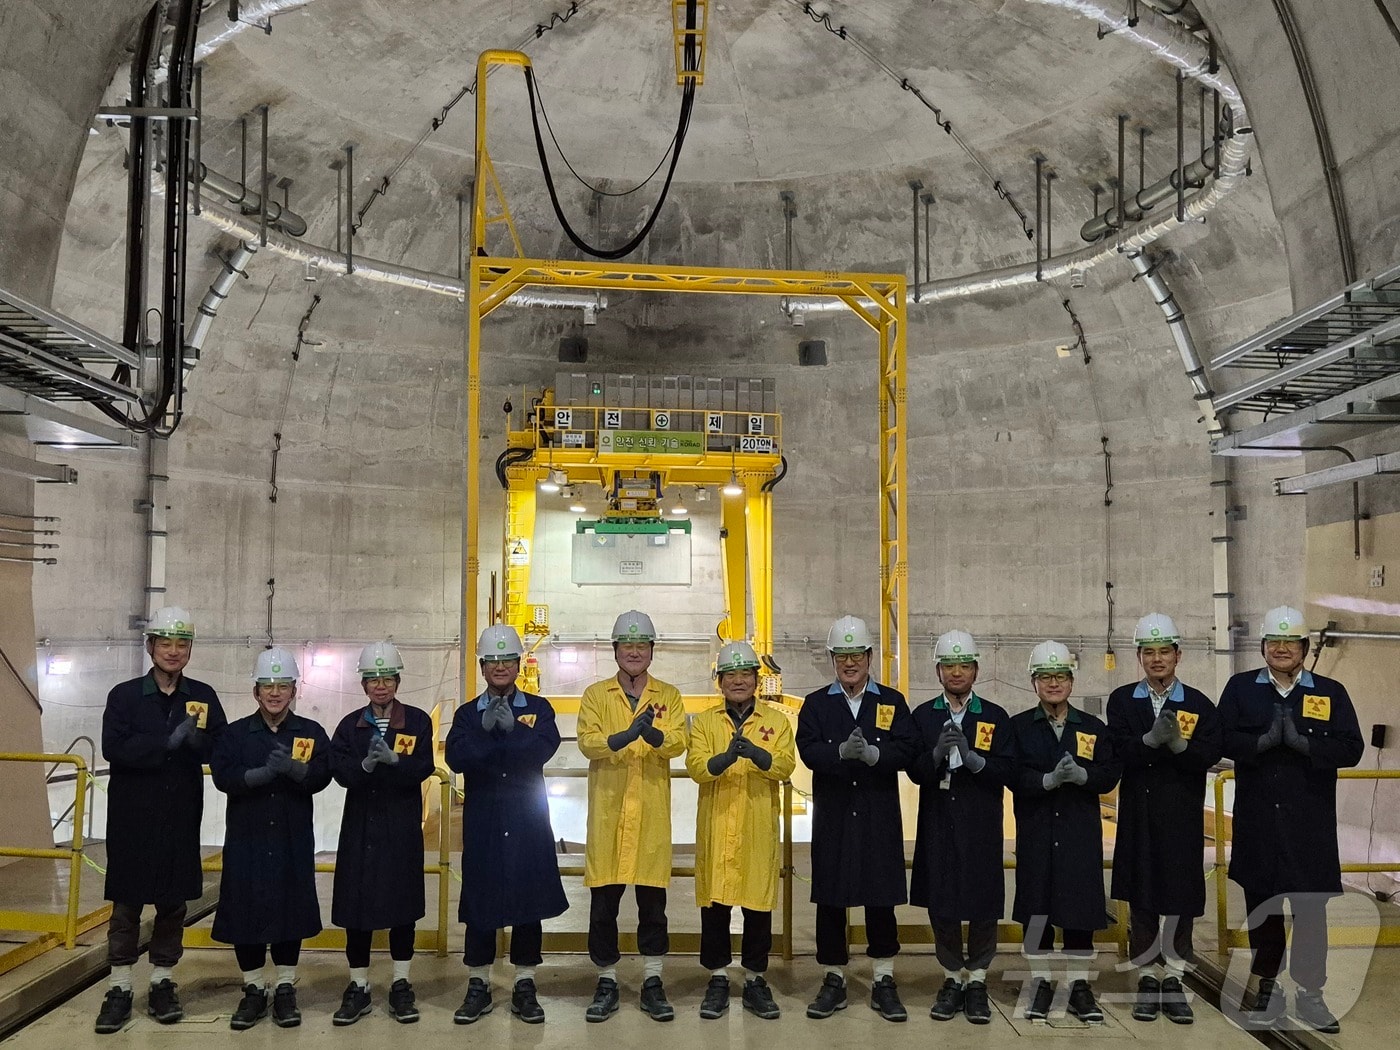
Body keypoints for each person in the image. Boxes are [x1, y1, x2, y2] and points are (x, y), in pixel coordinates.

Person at [1219, 605, 1363, 1034]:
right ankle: (1268, 988)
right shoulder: (1241, 689)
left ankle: (1311, 993)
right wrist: (1260, 743)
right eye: (1274, 643)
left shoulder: (1330, 692)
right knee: (1263, 909)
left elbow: (1351, 748)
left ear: (1304, 648)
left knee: (1310, 912)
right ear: (1263, 647)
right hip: (1259, 823)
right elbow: (1221, 737)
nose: (1282, 649)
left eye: (1291, 643)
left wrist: (1305, 746)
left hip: (1309, 829)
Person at [95, 606, 228, 1034]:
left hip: (179, 817)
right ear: (150, 646)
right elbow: (114, 747)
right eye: (165, 643)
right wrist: (167, 742)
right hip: (133, 818)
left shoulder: (203, 695)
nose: (173, 651)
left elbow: (218, 749)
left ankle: (161, 982)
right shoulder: (126, 696)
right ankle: (118, 989)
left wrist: (198, 741)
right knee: (128, 904)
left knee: (172, 904)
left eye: (182, 644)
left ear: (190, 649)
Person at [795, 615, 918, 1022]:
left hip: (878, 815)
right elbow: (809, 750)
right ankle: (833, 979)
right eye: (842, 655)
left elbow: (907, 749)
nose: (850, 663)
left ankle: (883, 979)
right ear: (833, 658)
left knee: (881, 898)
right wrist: (840, 755)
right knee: (831, 897)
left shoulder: (892, 702)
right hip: (833, 817)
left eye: (857, 655)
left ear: (869, 658)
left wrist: (875, 756)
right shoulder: (816, 704)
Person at [445, 625, 567, 1026]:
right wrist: (484, 732)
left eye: (507, 660)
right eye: (492, 660)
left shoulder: (539, 708)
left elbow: (543, 749)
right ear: (482, 666)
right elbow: (458, 758)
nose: (500, 667)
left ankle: (525, 985)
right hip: (484, 821)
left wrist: (511, 731)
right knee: (480, 904)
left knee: (528, 904)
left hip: (526, 818)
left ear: (518, 665)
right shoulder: (467, 715)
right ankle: (478, 984)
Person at [1107, 613, 1222, 1025]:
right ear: (1139, 656)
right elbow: (1119, 749)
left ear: (1178, 655)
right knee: (1142, 897)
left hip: (1182, 815)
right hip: (1139, 813)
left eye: (1165, 652)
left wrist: (1179, 747)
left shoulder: (1198, 704)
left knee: (1179, 897)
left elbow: (1209, 754)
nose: (1157, 659)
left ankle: (1173, 978)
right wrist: (1147, 741)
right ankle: (1146, 977)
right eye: (1149, 652)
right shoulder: (1123, 700)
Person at [209, 647, 333, 1030]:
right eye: (267, 686)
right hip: (247, 838)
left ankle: (283, 989)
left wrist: (296, 770)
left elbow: (323, 775)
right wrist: (259, 775)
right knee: (245, 912)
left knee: (288, 912)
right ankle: (251, 990)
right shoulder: (235, 734)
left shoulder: (310, 733)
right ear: (256, 692)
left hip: (291, 839)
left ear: (294, 690)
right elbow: (222, 776)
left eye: (282, 686)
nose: (275, 693)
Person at [576, 610, 687, 1022]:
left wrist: (653, 734)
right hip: (609, 817)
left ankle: (652, 982)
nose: (635, 652)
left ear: (653, 651)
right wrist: (624, 736)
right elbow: (588, 741)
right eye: (628, 645)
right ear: (615, 650)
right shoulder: (595, 695)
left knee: (653, 908)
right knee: (603, 908)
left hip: (651, 821)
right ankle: (606, 981)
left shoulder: (669, 696)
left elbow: (678, 741)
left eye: (642, 646)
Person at [1009, 641, 1121, 1024]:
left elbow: (1110, 773)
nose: (1053, 683)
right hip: (1037, 832)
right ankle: (1040, 982)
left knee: (1078, 911)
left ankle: (1078, 986)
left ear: (1072, 681)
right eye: (1045, 677)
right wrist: (1046, 779)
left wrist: (1084, 776)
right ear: (1033, 682)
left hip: (1078, 834)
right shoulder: (1019, 727)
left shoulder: (1092, 728)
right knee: (1036, 911)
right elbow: (1012, 775)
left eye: (1060, 676)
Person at [907, 630, 1015, 1025]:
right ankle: (952, 977)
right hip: (938, 821)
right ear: (937, 670)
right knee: (943, 900)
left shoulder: (995, 717)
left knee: (983, 900)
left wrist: (974, 761)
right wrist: (936, 754)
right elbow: (914, 771)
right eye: (949, 665)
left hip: (981, 822)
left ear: (976, 670)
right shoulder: (923, 716)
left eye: (964, 665)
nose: (957, 672)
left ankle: (979, 980)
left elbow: (1008, 769)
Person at [328, 641, 437, 1025]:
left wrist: (393, 763)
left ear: (397, 680)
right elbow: (339, 773)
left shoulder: (418, 721)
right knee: (357, 910)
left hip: (402, 828)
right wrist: (366, 767)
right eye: (373, 679)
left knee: (402, 907)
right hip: (360, 828)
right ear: (363, 685)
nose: (380, 685)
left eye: (387, 677)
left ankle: (401, 984)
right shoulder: (349, 726)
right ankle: (358, 986)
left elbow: (424, 765)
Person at [686, 641, 797, 1021]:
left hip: (756, 829)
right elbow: (697, 767)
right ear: (719, 681)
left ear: (756, 679)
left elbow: (784, 766)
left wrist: (758, 754)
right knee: (715, 907)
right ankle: (717, 979)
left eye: (745, 673)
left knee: (756, 907)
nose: (738, 680)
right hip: (717, 827)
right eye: (730, 674)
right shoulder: (704, 722)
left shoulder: (776, 722)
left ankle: (754, 980)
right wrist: (727, 757)